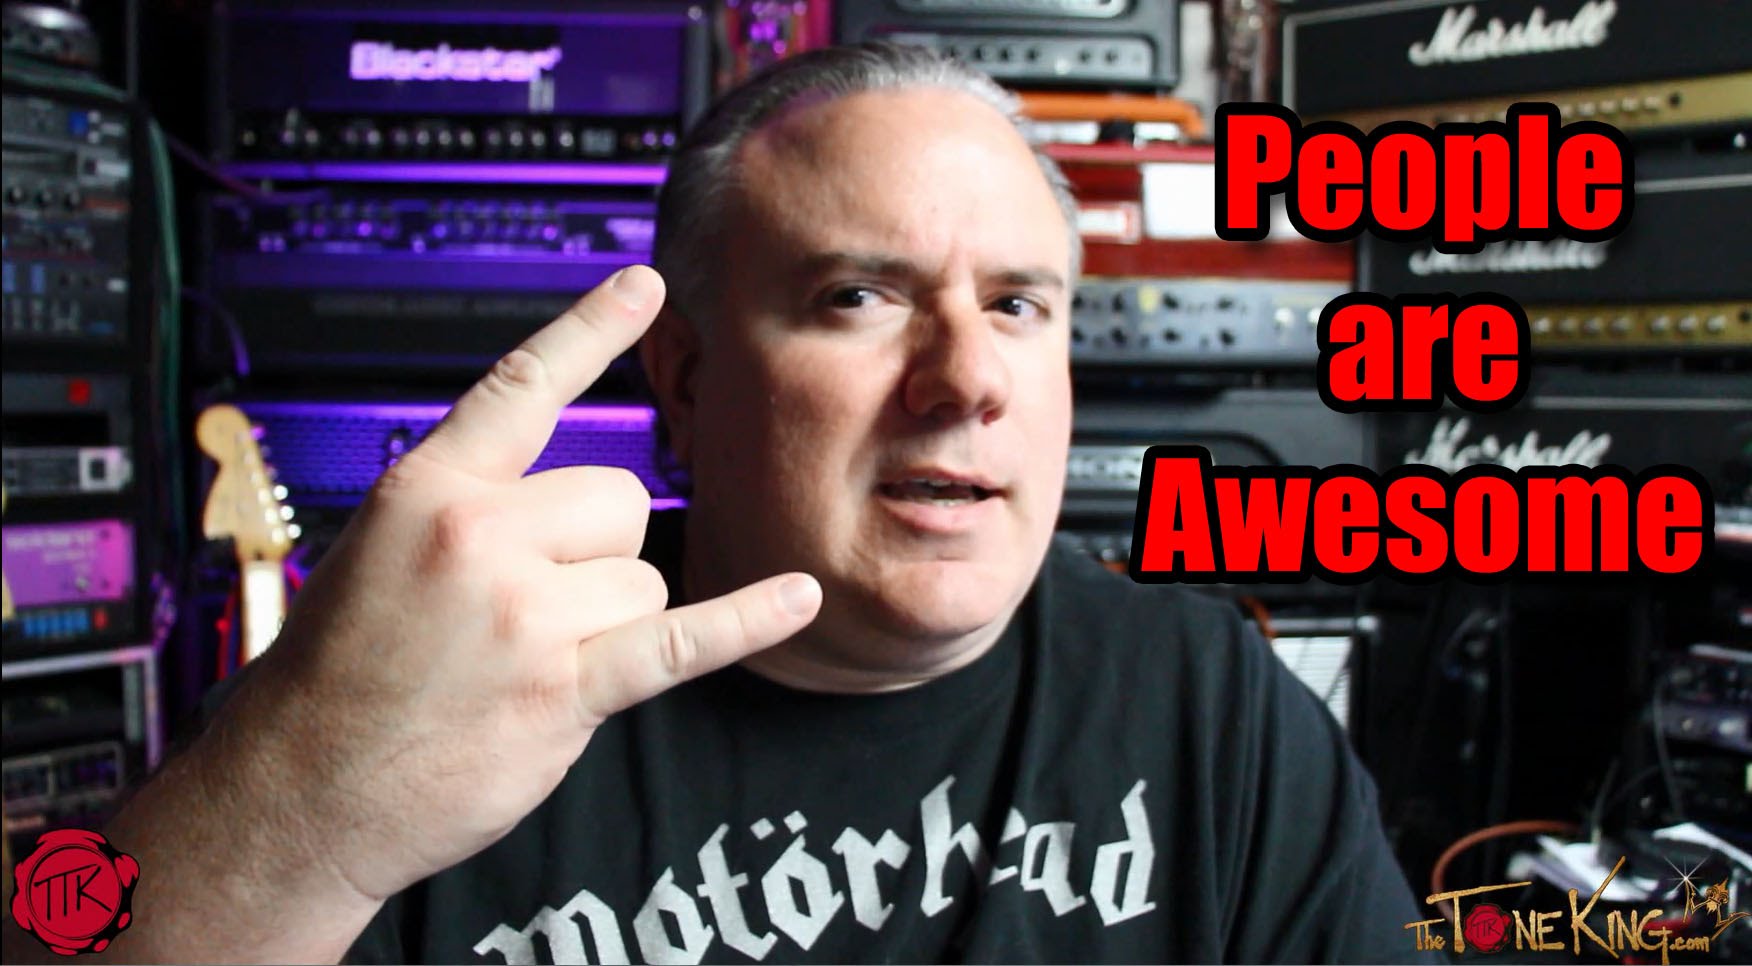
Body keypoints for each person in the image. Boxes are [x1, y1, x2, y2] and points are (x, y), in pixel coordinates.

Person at [9, 43, 1433, 963]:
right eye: (858, 296)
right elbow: (44, 926)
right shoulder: (438, 679)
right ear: (684, 380)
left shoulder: (1210, 702)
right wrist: (286, 805)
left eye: (1017, 304)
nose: (966, 379)